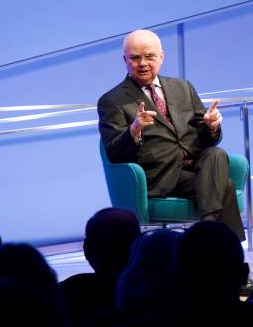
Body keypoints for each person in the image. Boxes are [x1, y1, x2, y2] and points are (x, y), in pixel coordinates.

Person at [97, 29, 244, 240]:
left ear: (161, 57)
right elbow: (114, 153)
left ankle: (208, 234)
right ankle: (221, 249)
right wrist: (135, 129)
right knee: (225, 186)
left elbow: (205, 138)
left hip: (197, 166)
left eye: (149, 56)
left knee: (216, 153)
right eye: (135, 58)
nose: (143, 63)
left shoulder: (182, 87)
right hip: (161, 175)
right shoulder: (112, 100)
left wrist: (211, 126)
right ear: (125, 60)